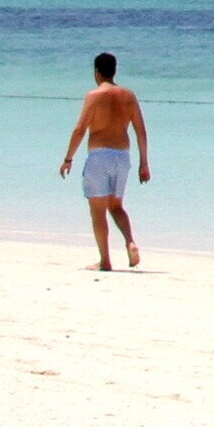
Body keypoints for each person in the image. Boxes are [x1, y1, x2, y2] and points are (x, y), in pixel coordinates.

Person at [60, 51, 148, 272]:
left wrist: (68, 158)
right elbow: (140, 131)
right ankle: (130, 241)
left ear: (97, 72)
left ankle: (105, 260)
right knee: (117, 206)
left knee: (98, 211)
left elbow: (80, 130)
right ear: (114, 71)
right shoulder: (129, 95)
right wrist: (144, 163)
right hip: (122, 156)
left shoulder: (94, 95)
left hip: (99, 156)